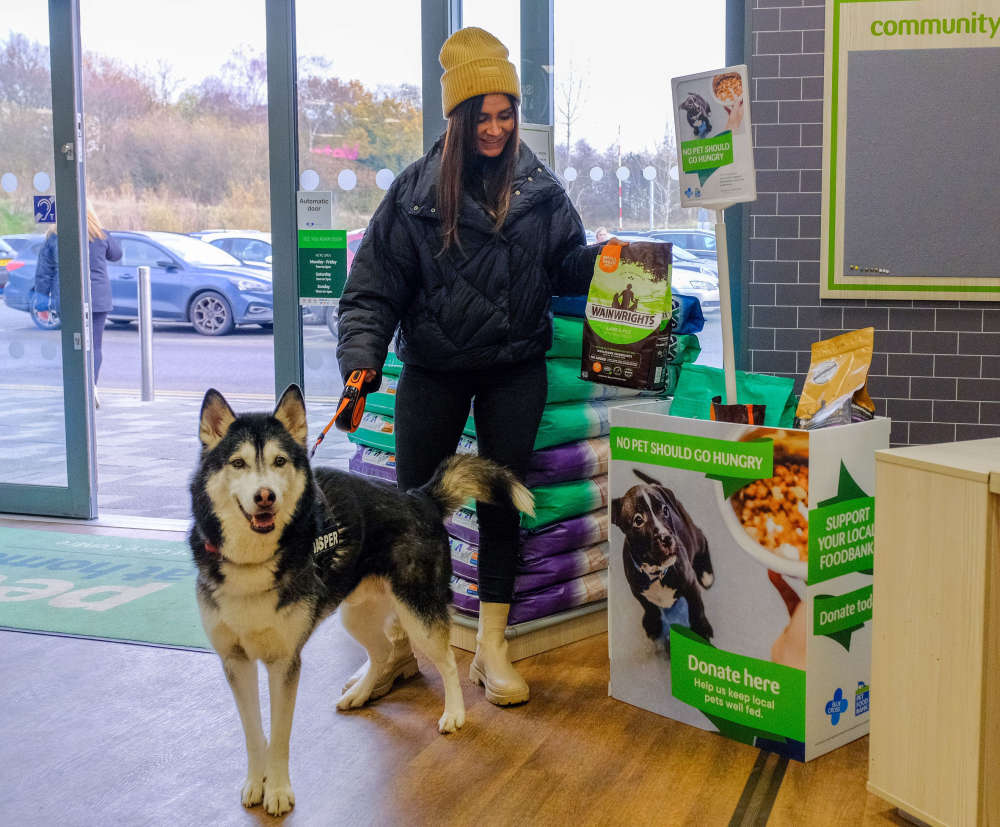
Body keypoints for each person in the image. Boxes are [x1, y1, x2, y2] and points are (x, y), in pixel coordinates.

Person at [337, 26, 597, 707]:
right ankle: (395, 650)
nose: (495, 126)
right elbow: (372, 289)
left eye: (504, 112)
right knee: (410, 516)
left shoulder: (540, 189)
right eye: (481, 114)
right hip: (434, 370)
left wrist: (609, 262)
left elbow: (568, 266)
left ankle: (491, 648)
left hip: (515, 368)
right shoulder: (416, 194)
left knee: (500, 504)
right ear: (456, 118)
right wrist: (361, 363)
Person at [33, 207, 122, 407]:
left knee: (74, 344)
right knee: (95, 345)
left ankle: (77, 389)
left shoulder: (55, 237)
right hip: (97, 298)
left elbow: (44, 271)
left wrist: (41, 301)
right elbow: (116, 254)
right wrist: (102, 230)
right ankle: (92, 387)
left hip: (68, 297)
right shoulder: (100, 235)